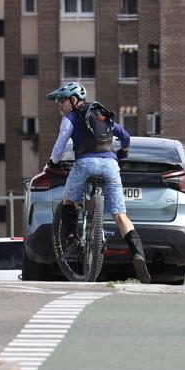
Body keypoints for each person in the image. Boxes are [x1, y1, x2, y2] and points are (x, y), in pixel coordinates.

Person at [44, 81, 150, 283]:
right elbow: (125, 136)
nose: (60, 106)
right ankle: (138, 253)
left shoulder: (71, 117)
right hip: (110, 164)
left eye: (62, 102)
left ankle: (72, 241)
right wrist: (123, 152)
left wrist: (53, 162)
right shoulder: (101, 115)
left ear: (74, 100)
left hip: (84, 163)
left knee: (68, 200)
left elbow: (59, 147)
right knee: (120, 215)